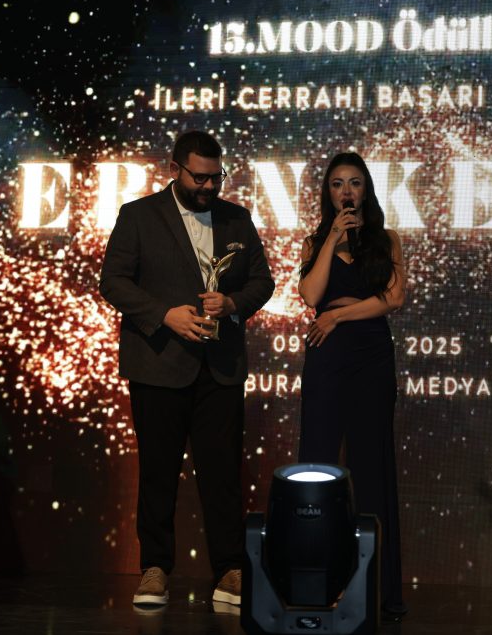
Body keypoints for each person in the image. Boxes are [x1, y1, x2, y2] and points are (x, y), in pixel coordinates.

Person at [99, 130, 274, 608]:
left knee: (222, 475)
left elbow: (262, 281)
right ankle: (155, 569)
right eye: (200, 177)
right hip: (158, 365)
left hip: (220, 369)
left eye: (216, 177)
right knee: (157, 473)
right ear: (174, 169)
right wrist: (164, 315)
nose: (209, 186)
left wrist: (232, 303)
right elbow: (112, 281)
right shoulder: (138, 215)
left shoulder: (237, 217)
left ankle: (230, 571)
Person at [297, 152, 407, 619]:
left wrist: (338, 315)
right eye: (338, 183)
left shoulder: (387, 240)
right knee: (318, 466)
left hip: (370, 356)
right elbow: (310, 295)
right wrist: (331, 239)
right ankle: (316, 584)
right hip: (327, 356)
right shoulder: (315, 242)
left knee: (371, 467)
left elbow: (393, 298)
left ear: (366, 190)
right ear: (328, 192)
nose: (346, 191)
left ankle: (377, 590)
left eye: (355, 183)